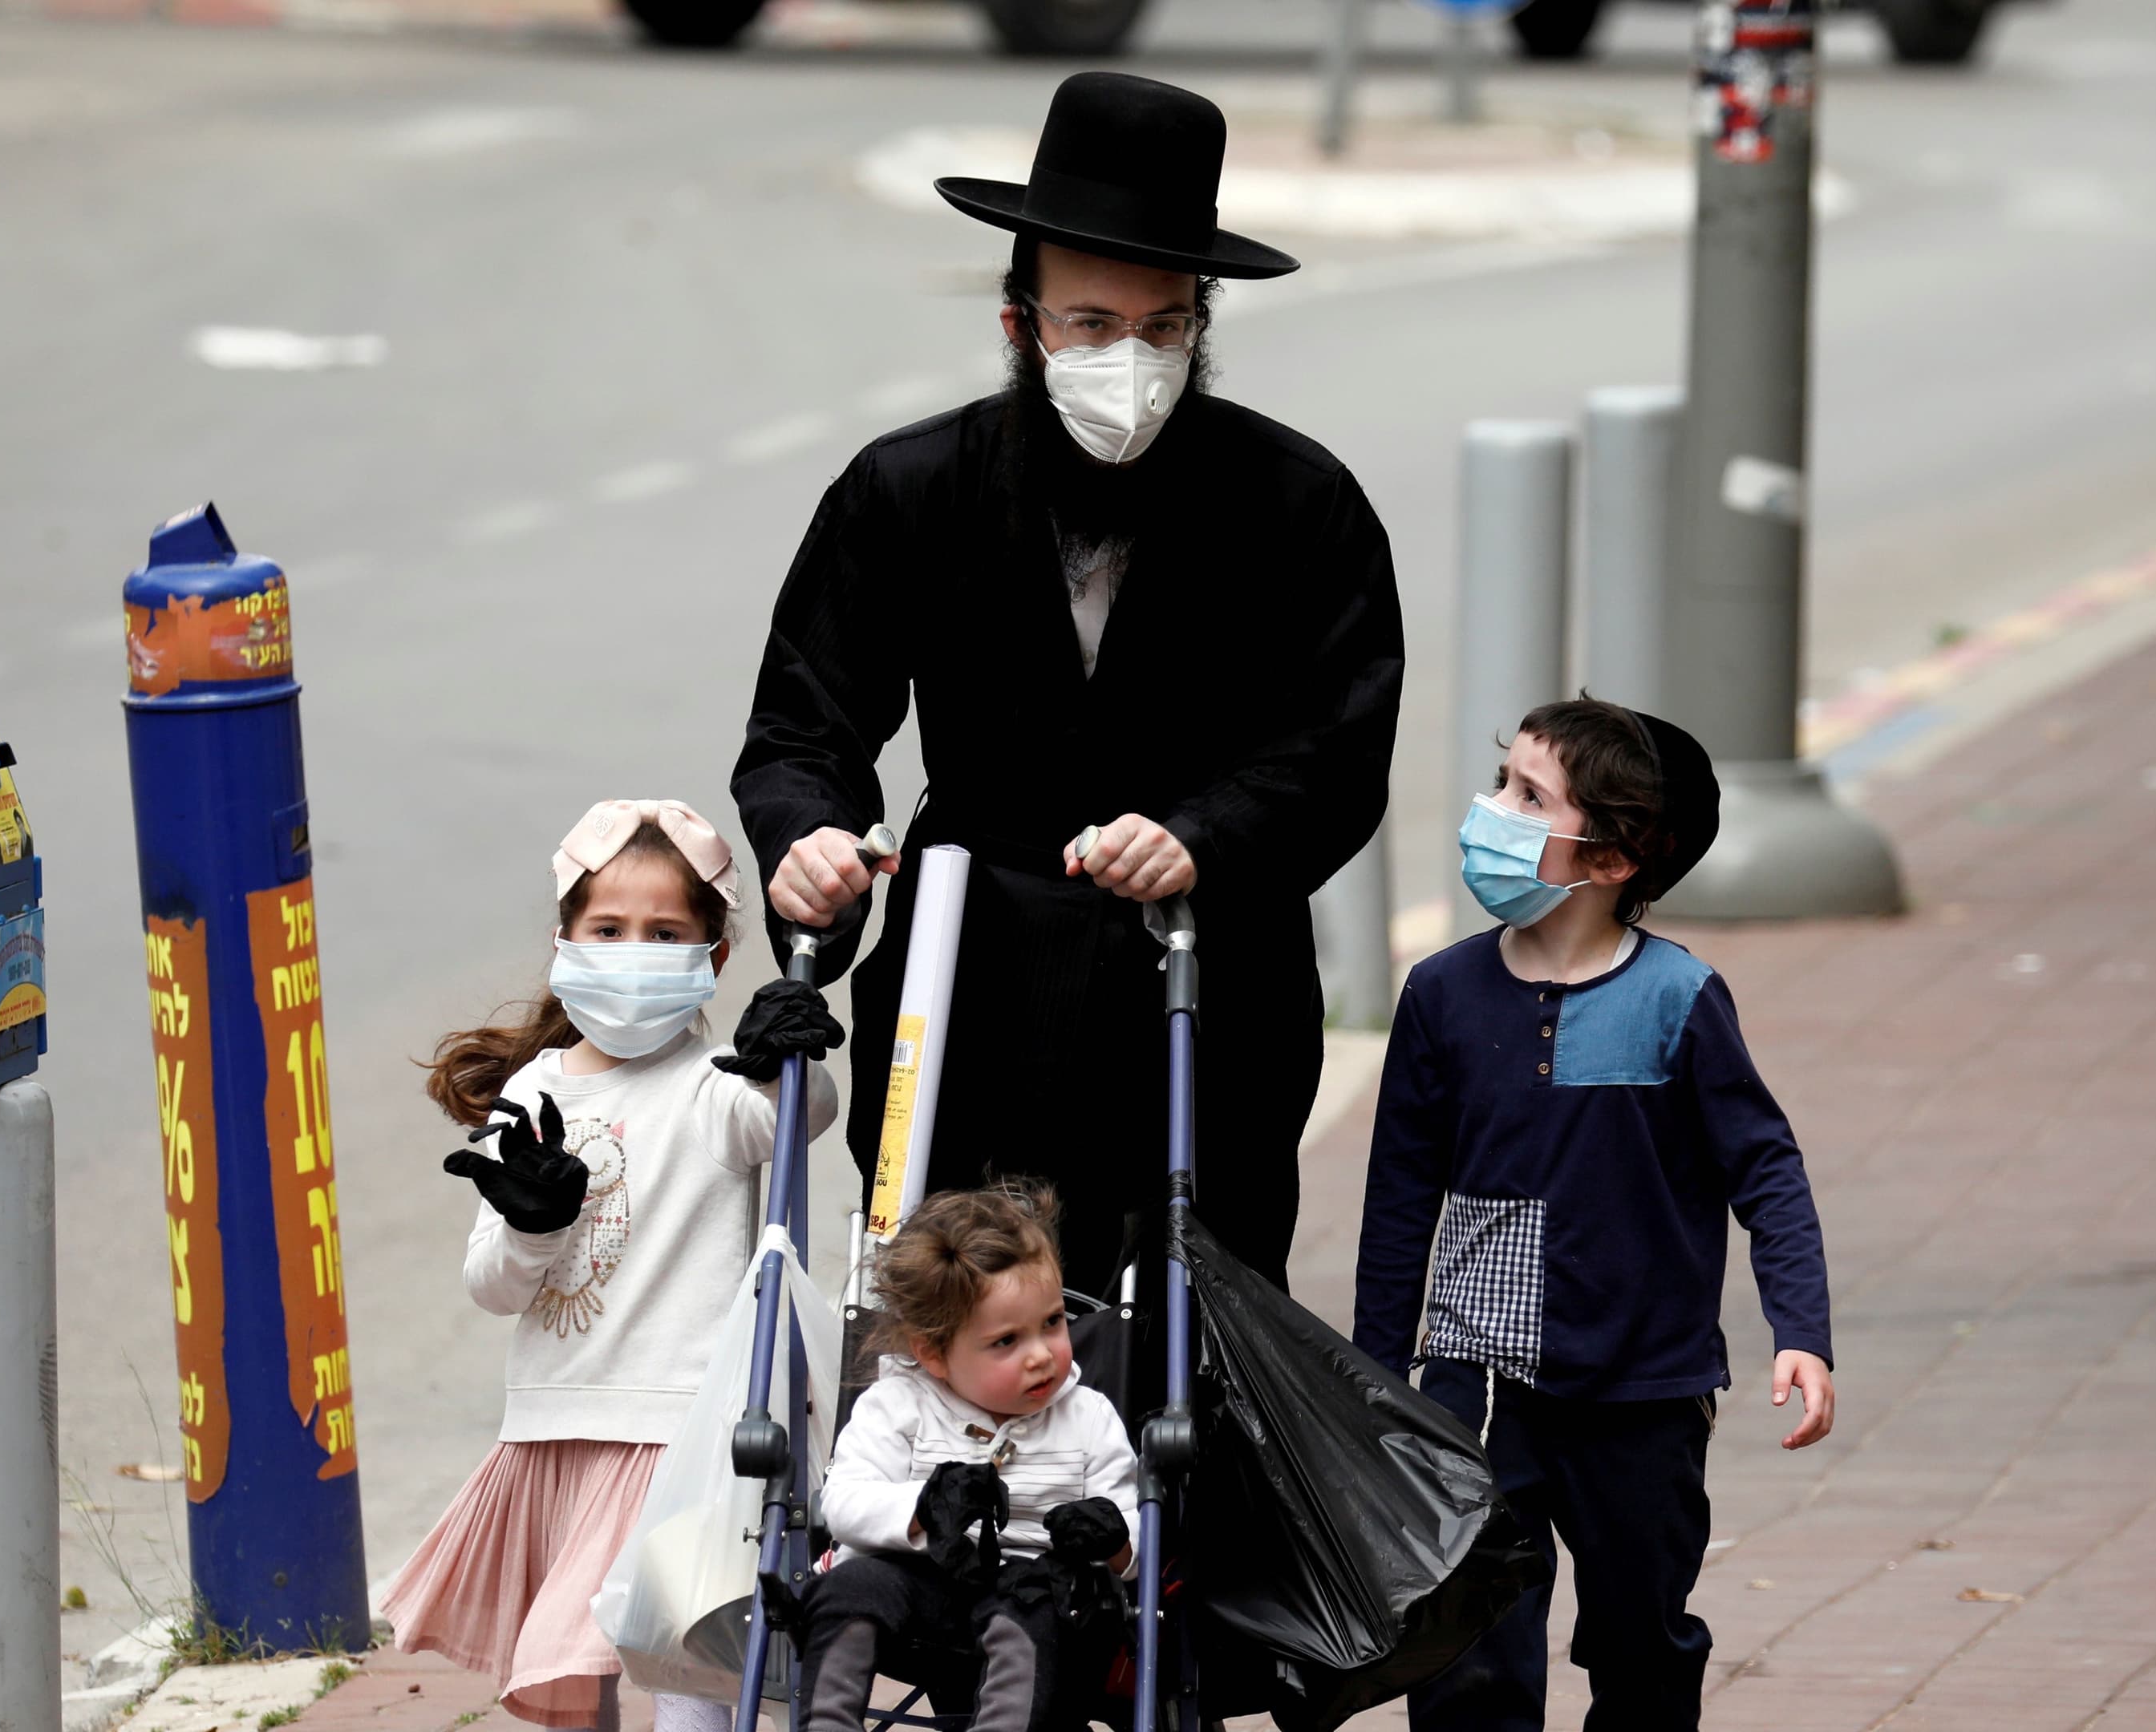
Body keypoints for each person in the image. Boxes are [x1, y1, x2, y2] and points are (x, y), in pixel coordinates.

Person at [732, 71, 1406, 1298]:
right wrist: (811, 842)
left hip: (1206, 986)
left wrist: (1202, 836)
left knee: (1191, 1345)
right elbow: (803, 726)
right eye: (1092, 325)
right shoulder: (907, 491)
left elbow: (1339, 748)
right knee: (954, 1325)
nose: (1131, 362)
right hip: (966, 973)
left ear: (1202, 324)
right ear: (1020, 326)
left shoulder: (1299, 505)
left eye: (1164, 328)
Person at [1351, 699, 1836, 1732]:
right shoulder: (1442, 995)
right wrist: (1378, 1379)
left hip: (1645, 1394)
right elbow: (1399, 1198)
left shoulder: (1679, 998)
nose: (1494, 812)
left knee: (1640, 1644)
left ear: (1613, 858)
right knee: (1468, 1650)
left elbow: (1768, 1169)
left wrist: (1803, 1331)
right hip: (1476, 1387)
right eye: (1501, 783)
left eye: (1530, 797)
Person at [383, 799, 843, 1731]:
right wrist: (531, 1228)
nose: (634, 950)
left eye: (665, 931)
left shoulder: (715, 1088)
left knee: (687, 1677)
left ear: (712, 958)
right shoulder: (534, 1091)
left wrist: (783, 1059)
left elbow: (799, 1119)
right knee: (571, 1672)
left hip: (683, 1434)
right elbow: (492, 1285)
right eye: (610, 928)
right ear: (565, 942)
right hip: (558, 1430)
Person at [797, 1184, 1141, 1732]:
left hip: (1033, 1595)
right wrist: (924, 1507)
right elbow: (842, 1502)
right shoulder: (897, 1404)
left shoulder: (1088, 1416)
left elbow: (1136, 1540)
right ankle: (828, 1724)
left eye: (1053, 1323)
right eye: (1007, 1341)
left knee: (1037, 1609)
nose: (1040, 1355)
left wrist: (1115, 1540)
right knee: (849, 1588)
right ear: (933, 1353)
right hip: (918, 1590)